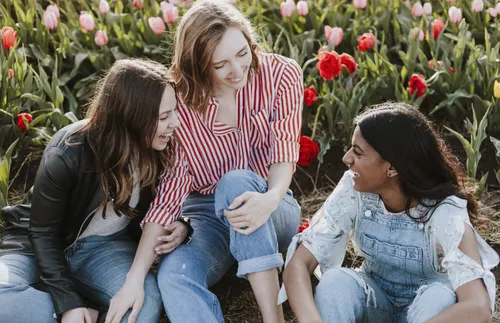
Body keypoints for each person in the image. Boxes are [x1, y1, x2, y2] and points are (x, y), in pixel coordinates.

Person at [107, 1, 303, 322]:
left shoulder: (281, 75)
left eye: (242, 53)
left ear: (249, 40)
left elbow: (283, 154)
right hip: (207, 216)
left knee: (236, 182)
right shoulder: (180, 104)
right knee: (174, 276)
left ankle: (273, 318)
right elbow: (170, 195)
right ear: (197, 65)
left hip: (271, 206)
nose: (237, 71)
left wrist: (270, 198)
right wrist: (135, 277)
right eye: (220, 64)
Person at [0, 58, 186, 323]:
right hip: (35, 246)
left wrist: (183, 224)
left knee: (143, 305)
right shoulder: (68, 152)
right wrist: (67, 304)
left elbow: (179, 197)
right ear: (131, 118)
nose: (175, 123)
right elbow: (42, 233)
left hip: (104, 249)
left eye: (174, 111)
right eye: (164, 116)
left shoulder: (163, 150)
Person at [281, 103, 499, 323]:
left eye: (357, 152)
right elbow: (298, 265)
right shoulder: (354, 191)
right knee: (335, 282)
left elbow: (477, 307)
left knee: (439, 296)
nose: (346, 159)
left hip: (428, 314)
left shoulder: (445, 211)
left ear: (393, 168)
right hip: (376, 301)